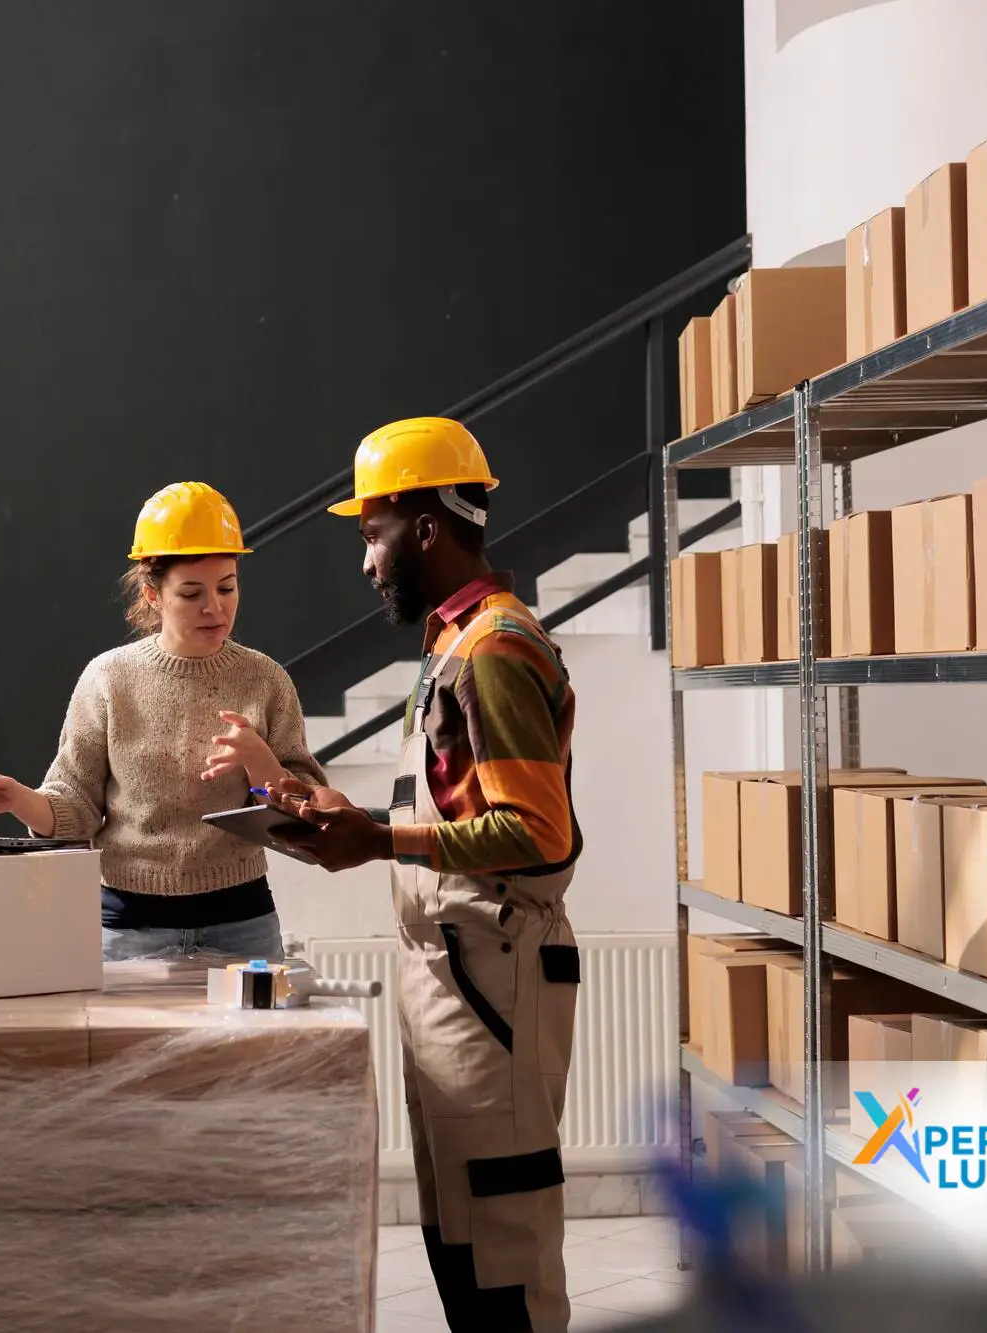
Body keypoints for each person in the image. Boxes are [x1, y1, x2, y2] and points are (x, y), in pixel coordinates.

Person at [268, 417, 581, 1333]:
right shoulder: (453, 644)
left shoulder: (493, 649)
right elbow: (451, 808)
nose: (368, 560)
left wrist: (378, 840)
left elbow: (536, 829)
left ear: (429, 528)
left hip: (493, 971)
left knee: (505, 1234)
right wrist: (327, 817)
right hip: (448, 967)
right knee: (458, 1232)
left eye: (374, 531)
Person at [0, 481, 325, 961]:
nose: (215, 607)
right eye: (191, 593)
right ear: (152, 594)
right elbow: (75, 810)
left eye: (227, 586)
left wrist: (261, 761)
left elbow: (306, 810)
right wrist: (19, 799)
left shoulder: (265, 679)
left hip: (242, 923)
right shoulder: (109, 678)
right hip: (129, 928)